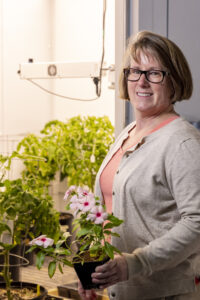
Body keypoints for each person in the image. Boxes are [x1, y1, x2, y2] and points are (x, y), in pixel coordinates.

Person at [78, 30, 200, 300]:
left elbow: (197, 222)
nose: (142, 82)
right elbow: (108, 211)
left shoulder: (182, 143)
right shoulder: (128, 133)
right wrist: (92, 272)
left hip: (161, 293)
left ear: (174, 82)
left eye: (154, 73)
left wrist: (134, 264)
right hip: (120, 291)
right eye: (135, 71)